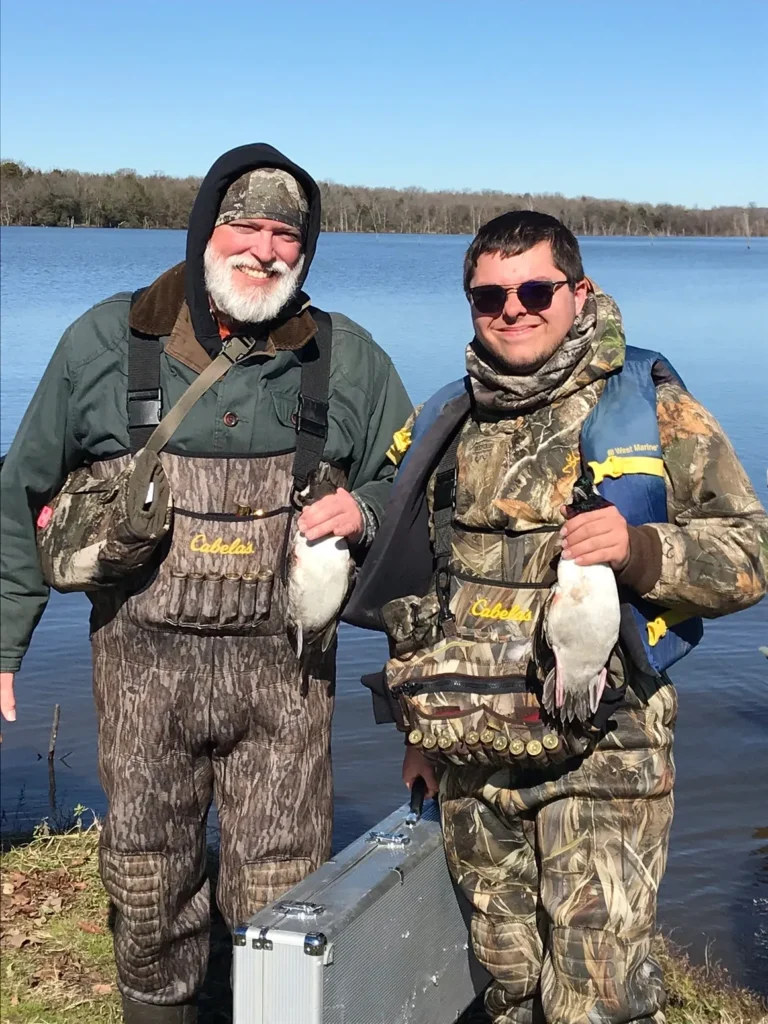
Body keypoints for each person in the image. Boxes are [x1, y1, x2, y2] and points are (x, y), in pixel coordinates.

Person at [0, 143, 412, 1023]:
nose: (264, 250)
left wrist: (365, 513)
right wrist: (5, 643)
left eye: (285, 237)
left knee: (282, 890)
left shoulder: (350, 360)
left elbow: (422, 496)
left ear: (305, 252)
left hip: (287, 685)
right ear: (204, 232)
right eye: (245, 227)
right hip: (142, 680)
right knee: (148, 885)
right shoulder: (106, 344)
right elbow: (21, 489)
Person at [344, 211, 767, 1024]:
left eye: (535, 289)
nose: (513, 309)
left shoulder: (648, 403)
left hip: (607, 759)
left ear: (579, 293)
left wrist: (643, 549)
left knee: (592, 1005)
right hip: (471, 759)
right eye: (489, 296)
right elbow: (420, 587)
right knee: (505, 987)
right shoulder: (445, 420)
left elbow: (752, 550)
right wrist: (418, 738)